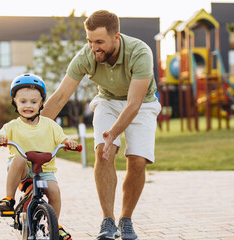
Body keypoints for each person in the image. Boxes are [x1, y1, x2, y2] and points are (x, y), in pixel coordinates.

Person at [41, 10, 161, 240]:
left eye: (99, 42)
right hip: (107, 101)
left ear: (116, 37)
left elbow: (135, 103)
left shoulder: (140, 52)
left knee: (137, 160)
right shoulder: (86, 56)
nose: (93, 47)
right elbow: (60, 97)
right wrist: (34, 130)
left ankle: (126, 220)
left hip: (142, 103)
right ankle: (108, 220)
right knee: (103, 154)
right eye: (89, 41)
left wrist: (113, 134)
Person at [0, 73, 77, 240]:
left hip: (44, 170)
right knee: (19, 159)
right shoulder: (12, 126)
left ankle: (54, 224)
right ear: (14, 102)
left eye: (33, 102)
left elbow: (62, 138)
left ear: (41, 103)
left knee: (54, 191)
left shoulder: (50, 125)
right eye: (23, 101)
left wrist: (69, 142)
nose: (28, 105)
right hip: (22, 170)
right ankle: (9, 198)